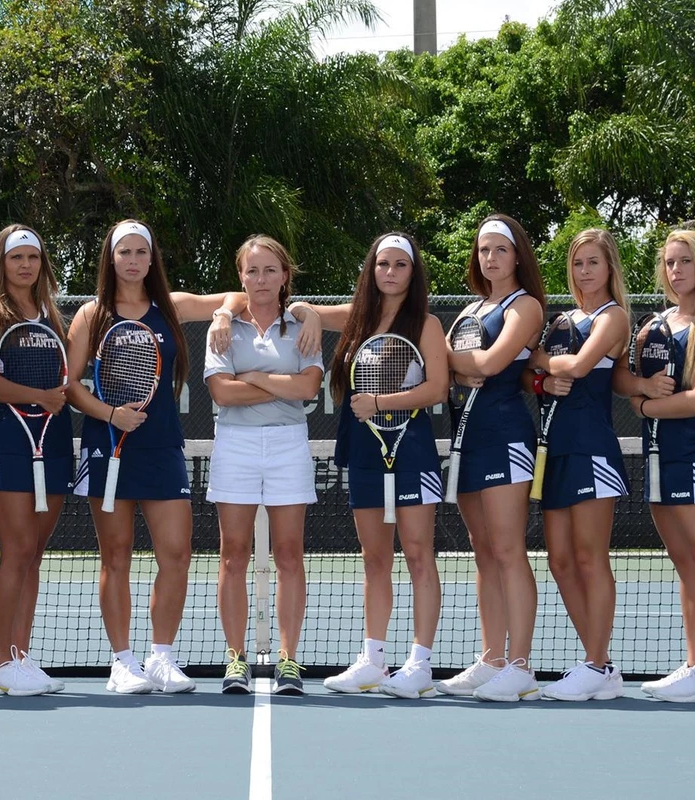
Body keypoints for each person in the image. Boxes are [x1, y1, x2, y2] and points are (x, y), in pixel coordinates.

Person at [64, 219, 247, 694]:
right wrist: (110, 414)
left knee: (177, 553)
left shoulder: (171, 307)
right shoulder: (91, 315)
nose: (132, 260)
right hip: (108, 446)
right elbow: (69, 385)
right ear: (110, 259)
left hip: (162, 445)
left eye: (140, 252)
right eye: (123, 252)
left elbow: (238, 295)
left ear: (151, 259)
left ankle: (161, 657)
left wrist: (223, 316)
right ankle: (122, 663)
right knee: (116, 555)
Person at [289, 232, 449, 699]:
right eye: (383, 264)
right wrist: (310, 316)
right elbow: (298, 307)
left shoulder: (426, 324)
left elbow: (437, 388)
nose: (391, 272)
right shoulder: (356, 319)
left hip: (412, 449)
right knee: (374, 558)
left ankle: (419, 664)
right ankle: (373, 661)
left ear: (413, 272)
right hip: (364, 451)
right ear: (371, 269)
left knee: (418, 554)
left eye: (401, 264)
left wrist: (379, 402)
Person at [618, 229, 695, 703]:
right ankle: (694, 665)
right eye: (670, 262)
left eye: (685, 261)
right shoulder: (654, 325)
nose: (675, 270)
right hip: (659, 457)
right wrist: (641, 391)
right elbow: (629, 382)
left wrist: (646, 406)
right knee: (686, 565)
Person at [431, 214, 548, 702]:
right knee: (482, 551)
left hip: (506, 437)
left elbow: (493, 362)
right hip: (467, 440)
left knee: (507, 549)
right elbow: (446, 364)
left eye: (500, 249)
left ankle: (520, 666)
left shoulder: (526, 306)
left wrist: (453, 363)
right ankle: (492, 659)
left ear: (517, 255)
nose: (491, 258)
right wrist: (459, 369)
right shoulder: (470, 309)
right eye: (483, 250)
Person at [204, 235, 323, 695]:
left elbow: (308, 388)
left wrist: (251, 376)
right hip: (235, 444)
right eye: (252, 270)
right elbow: (222, 392)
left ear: (284, 276)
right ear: (241, 277)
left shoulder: (303, 326)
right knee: (233, 555)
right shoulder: (223, 327)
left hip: (288, 444)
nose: (261, 279)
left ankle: (288, 661)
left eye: (270, 270)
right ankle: (236, 659)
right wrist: (280, 383)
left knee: (289, 554)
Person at [0, 224, 70, 696]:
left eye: (32, 257)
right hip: (7, 440)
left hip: (53, 441)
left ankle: (21, 658)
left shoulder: (53, 314)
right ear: (1, 263)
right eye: (16, 257)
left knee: (34, 554)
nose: (25, 265)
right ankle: (0, 663)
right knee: (18, 550)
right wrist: (37, 396)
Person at [528, 228, 632, 702]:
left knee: (591, 558)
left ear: (609, 267)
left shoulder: (614, 317)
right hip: (554, 453)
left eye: (593, 262)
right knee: (560, 561)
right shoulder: (561, 321)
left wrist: (543, 362)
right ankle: (599, 664)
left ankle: (596, 662)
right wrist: (543, 381)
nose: (584, 271)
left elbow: (579, 366)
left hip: (593, 451)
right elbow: (533, 373)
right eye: (577, 263)